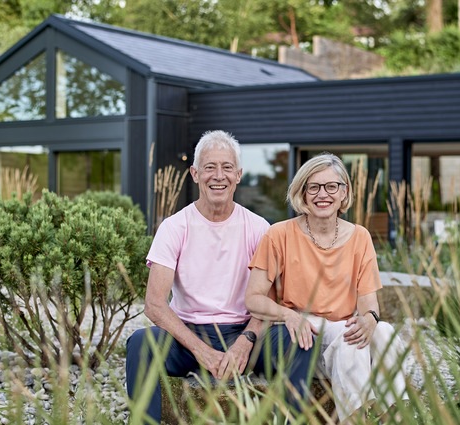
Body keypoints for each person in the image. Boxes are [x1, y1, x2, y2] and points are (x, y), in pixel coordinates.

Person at [126, 130, 314, 424]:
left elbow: (272, 296)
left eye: (227, 167)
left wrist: (246, 341)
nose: (218, 175)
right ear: (195, 173)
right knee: (140, 343)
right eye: (210, 167)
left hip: (247, 332)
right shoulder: (174, 227)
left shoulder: (258, 227)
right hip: (188, 338)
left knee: (299, 340)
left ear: (238, 174)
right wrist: (202, 351)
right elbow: (154, 305)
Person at [245, 152, 407, 424]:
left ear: (344, 193)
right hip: (304, 335)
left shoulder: (360, 237)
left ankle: (390, 416)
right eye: (314, 187)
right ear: (303, 193)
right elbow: (253, 298)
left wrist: (369, 319)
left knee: (384, 331)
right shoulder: (279, 234)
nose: (323, 194)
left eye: (332, 186)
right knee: (348, 336)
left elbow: (369, 303)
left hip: (342, 341)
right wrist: (287, 315)